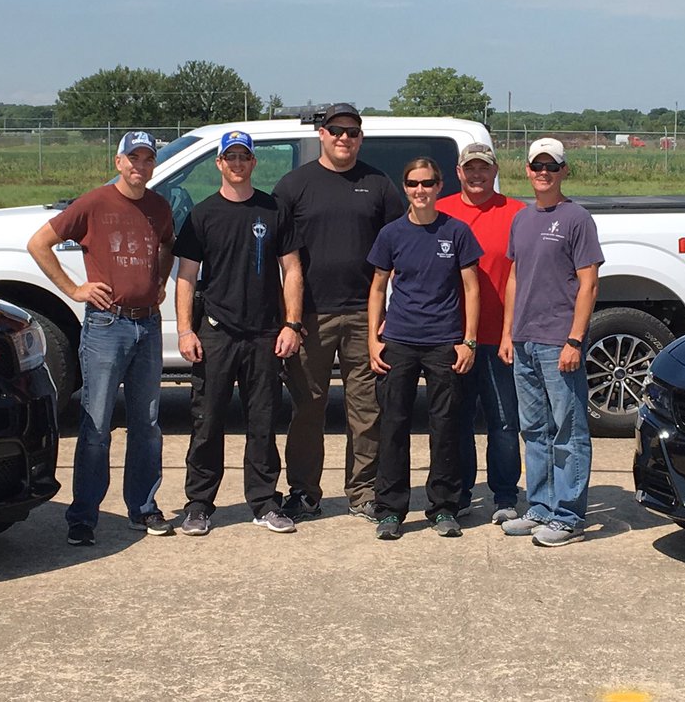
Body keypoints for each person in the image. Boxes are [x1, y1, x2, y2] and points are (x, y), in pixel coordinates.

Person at [28, 130, 175, 546]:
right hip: (106, 326)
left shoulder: (159, 207)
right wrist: (74, 289)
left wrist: (159, 281)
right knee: (96, 425)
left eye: (147, 159)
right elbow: (40, 243)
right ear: (118, 162)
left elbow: (167, 245)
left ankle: (143, 507)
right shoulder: (94, 203)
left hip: (147, 325)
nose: (139, 167)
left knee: (146, 424)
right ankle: (83, 516)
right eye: (133, 159)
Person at [274, 103, 405, 522]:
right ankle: (304, 491)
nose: (344, 138)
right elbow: (280, 255)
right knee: (308, 408)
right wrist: (287, 319)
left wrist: (389, 314)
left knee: (365, 410)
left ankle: (363, 491)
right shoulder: (294, 186)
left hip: (365, 316)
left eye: (352, 132)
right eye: (336, 131)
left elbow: (400, 249)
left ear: (360, 138)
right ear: (322, 135)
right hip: (309, 317)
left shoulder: (378, 184)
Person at [172, 130, 305, 536]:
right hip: (216, 332)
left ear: (253, 162)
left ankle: (265, 501)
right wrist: (184, 330)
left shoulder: (273, 209)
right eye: (229, 157)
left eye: (243, 157)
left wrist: (292, 324)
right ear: (219, 163)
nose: (237, 163)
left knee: (263, 421)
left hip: (265, 334)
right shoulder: (203, 215)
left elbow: (293, 269)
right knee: (207, 421)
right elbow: (186, 278)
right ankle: (198, 504)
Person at [367, 158, 482, 539]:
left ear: (439, 186)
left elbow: (471, 288)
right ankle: (390, 510)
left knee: (445, 427)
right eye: (414, 183)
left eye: (428, 183)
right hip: (399, 340)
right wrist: (373, 337)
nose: (421, 190)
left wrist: (468, 341)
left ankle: (444, 507)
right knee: (393, 426)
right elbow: (378, 287)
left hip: (444, 342)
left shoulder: (457, 232)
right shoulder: (391, 234)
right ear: (405, 187)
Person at [498, 138, 604, 547]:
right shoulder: (522, 220)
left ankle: (569, 515)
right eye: (536, 165)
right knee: (534, 429)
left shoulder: (576, 218)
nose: (543, 172)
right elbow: (514, 278)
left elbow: (589, 283)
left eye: (551, 166)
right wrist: (508, 333)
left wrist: (574, 340)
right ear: (526, 170)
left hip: (559, 340)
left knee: (569, 430)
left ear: (564, 171)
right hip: (524, 340)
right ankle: (540, 506)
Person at [437, 142, 526, 525]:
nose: (477, 175)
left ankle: (504, 494)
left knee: (504, 422)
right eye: (469, 168)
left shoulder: (517, 213)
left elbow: (524, 275)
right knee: (455, 421)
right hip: (451, 336)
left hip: (499, 336)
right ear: (458, 172)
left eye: (483, 169)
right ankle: (460, 493)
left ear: (495, 172)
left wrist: (511, 333)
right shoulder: (440, 211)